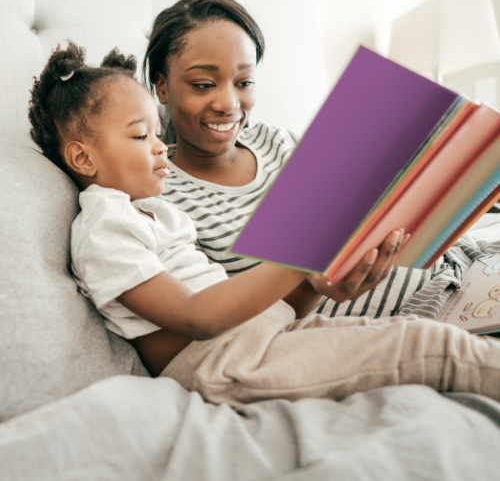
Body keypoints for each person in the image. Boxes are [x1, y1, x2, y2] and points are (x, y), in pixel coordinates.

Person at [28, 42, 500, 407]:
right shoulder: (103, 227)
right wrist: (306, 254)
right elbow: (197, 316)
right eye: (139, 135)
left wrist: (323, 272)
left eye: (157, 131)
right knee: (425, 344)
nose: (158, 146)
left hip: (264, 337)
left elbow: (263, 307)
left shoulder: (154, 211)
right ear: (82, 157)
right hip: (222, 363)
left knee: (402, 335)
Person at [143, 0, 457, 321]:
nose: (229, 103)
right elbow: (237, 327)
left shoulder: (275, 140)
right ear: (162, 87)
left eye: (244, 82)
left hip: (456, 266)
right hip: (421, 312)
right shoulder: (159, 193)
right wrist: (315, 286)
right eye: (203, 84)